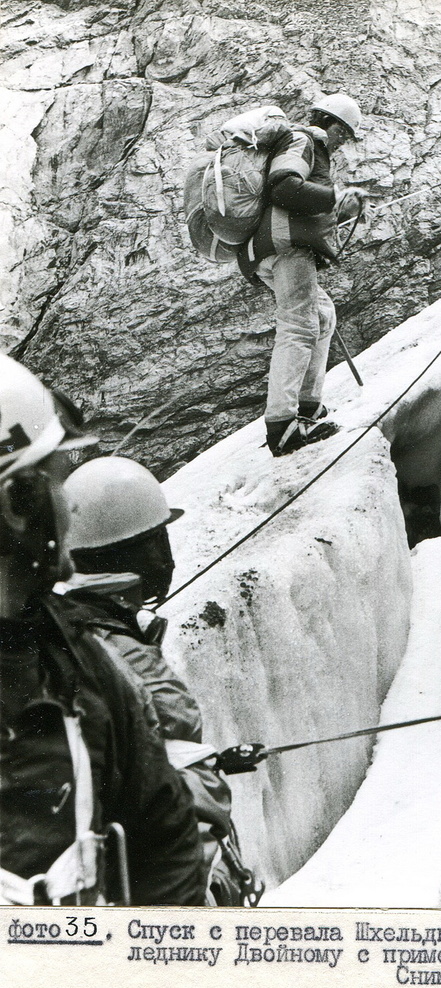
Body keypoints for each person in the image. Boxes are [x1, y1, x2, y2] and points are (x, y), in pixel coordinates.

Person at [0, 354, 205, 906]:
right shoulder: (90, 668)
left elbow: (164, 845)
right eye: (57, 483)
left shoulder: (86, 662)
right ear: (20, 505)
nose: (69, 507)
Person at [62, 454, 263, 905]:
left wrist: (199, 757)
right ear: (134, 550)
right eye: (157, 540)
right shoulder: (124, 654)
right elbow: (182, 805)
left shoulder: (74, 629)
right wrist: (195, 766)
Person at [237, 92, 367, 456]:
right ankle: (282, 425)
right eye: (344, 133)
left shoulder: (312, 148)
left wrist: (339, 207)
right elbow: (284, 186)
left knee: (322, 316)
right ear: (331, 123)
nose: (344, 143)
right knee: (298, 325)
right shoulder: (303, 140)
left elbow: (303, 206)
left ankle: (308, 408)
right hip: (284, 248)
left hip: (274, 248)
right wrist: (334, 197)